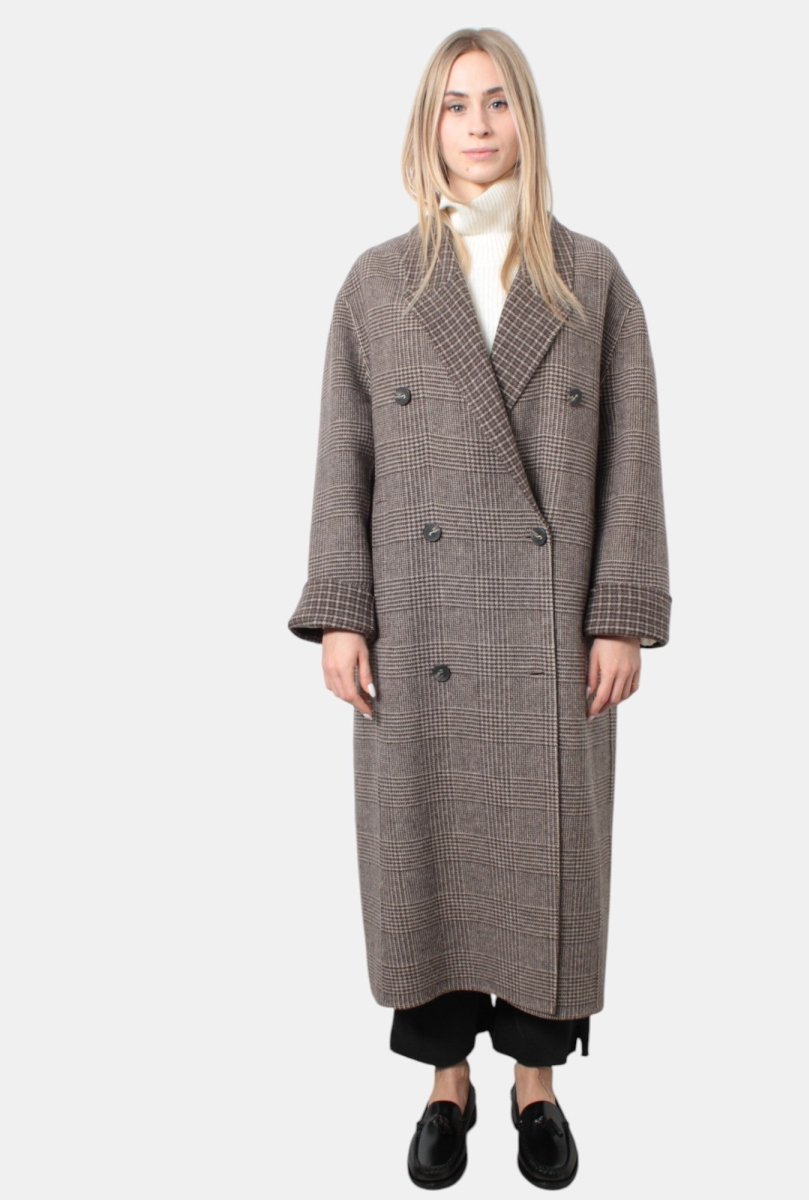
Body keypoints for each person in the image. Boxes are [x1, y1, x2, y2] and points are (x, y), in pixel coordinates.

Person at [288, 27, 672, 1190]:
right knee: (425, 855)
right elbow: (343, 459)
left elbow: (631, 459)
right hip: (420, 625)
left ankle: (537, 1087)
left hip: (552, 632)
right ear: (429, 127)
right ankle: (446, 1084)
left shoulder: (591, 279)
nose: (478, 125)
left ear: (526, 120)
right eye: (456, 104)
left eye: (498, 101)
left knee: (551, 858)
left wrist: (621, 611)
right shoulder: (377, 284)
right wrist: (342, 609)